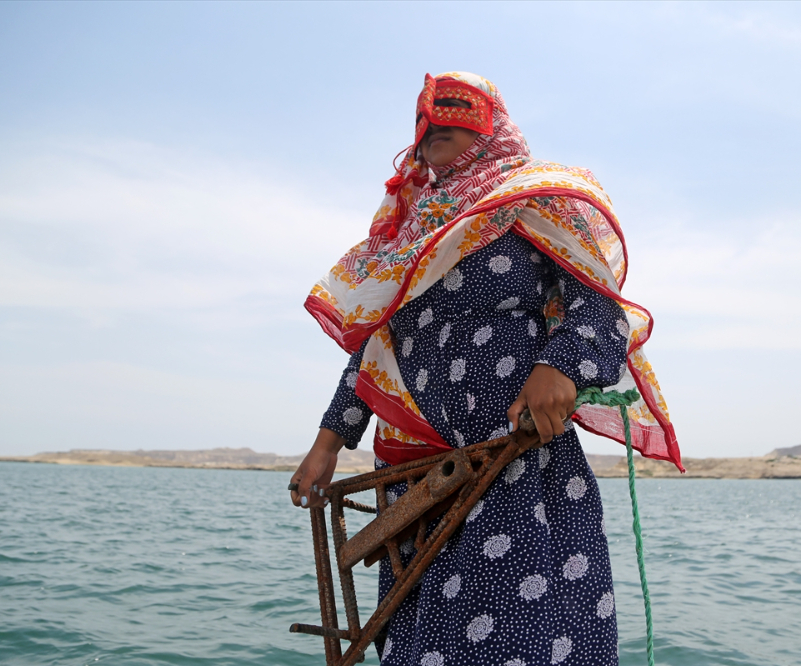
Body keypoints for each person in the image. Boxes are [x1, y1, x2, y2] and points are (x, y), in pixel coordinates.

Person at [291, 72, 681, 666]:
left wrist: (561, 365)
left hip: (512, 454)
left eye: (455, 118)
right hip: (415, 470)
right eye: (425, 124)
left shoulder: (533, 199)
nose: (433, 130)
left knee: (518, 633)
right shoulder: (410, 229)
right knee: (421, 641)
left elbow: (598, 306)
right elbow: (376, 345)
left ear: (491, 127)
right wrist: (327, 443)